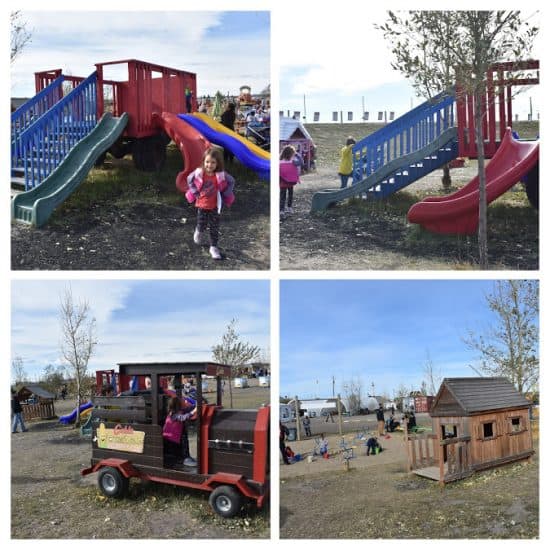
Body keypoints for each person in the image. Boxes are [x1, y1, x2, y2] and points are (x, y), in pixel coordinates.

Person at [185, 147, 235, 260]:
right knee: (201, 224)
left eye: (213, 162)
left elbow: (232, 181)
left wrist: (226, 193)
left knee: (214, 227)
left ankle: (213, 247)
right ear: (203, 162)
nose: (210, 165)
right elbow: (189, 179)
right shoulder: (199, 173)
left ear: (217, 163)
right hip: (201, 205)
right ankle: (198, 230)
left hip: (215, 206)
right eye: (207, 162)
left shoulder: (221, 175)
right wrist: (195, 192)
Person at [162, 396, 197, 467]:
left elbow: (188, 409)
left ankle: (184, 458)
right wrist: (194, 411)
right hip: (170, 437)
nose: (184, 402)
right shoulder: (173, 415)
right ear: (177, 405)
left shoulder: (179, 411)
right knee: (179, 449)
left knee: (182, 445)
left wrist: (196, 405)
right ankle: (184, 459)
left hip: (175, 436)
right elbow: (183, 417)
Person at [279, 145, 301, 216]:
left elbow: (301, 163)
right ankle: (286, 208)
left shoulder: (280, 161)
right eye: (293, 153)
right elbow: (301, 162)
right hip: (286, 181)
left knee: (284, 195)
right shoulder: (293, 161)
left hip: (284, 181)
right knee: (287, 195)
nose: (293, 154)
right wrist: (297, 155)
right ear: (290, 154)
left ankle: (283, 209)